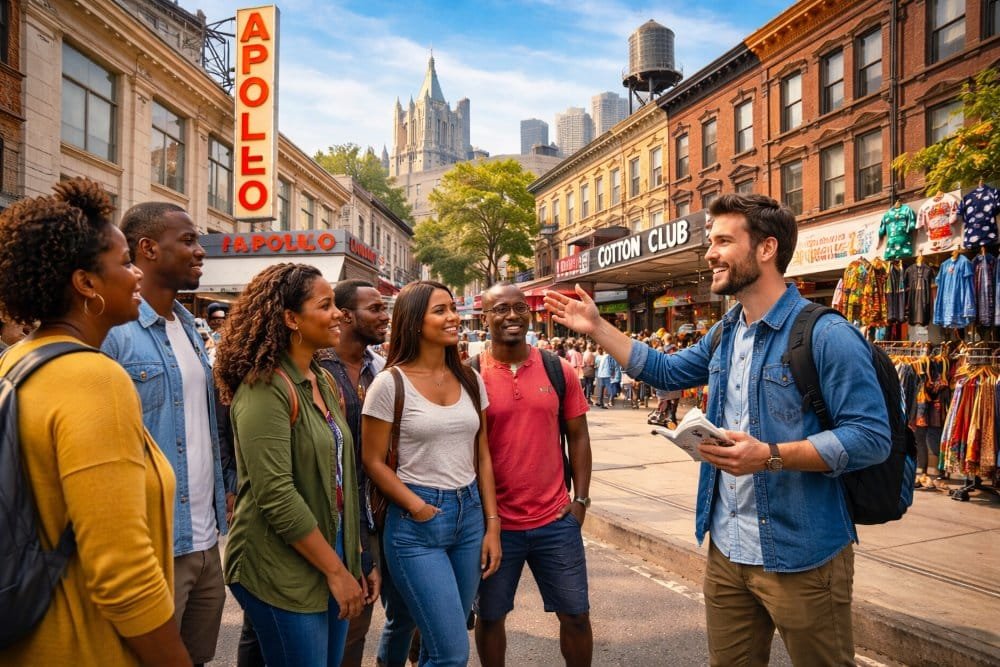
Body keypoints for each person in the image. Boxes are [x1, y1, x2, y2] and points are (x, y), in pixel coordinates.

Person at [545, 193, 891, 666]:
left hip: (803, 555)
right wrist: (598, 326)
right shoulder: (727, 331)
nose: (709, 252)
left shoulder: (826, 334)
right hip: (727, 548)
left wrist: (770, 454)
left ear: (766, 249)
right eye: (711, 240)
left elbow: (871, 437)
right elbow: (666, 372)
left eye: (724, 240)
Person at [0, 179, 189, 666]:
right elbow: (124, 576)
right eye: (125, 262)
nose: (136, 276)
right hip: (82, 647)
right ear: (86, 283)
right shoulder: (93, 378)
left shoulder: (18, 359)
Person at [215, 263, 367, 666]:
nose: (339, 314)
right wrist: (336, 570)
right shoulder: (265, 387)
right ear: (290, 319)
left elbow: (341, 478)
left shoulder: (323, 379)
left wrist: (351, 558)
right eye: (326, 305)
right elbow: (275, 493)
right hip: (278, 562)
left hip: (329, 549)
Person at [103, 203, 229, 666]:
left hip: (205, 540)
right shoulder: (115, 333)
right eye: (189, 241)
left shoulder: (188, 327)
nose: (200, 251)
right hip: (153, 545)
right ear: (148, 249)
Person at [362, 280, 502, 667]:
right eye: (440, 310)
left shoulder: (471, 379)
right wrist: (417, 506)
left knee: (444, 644)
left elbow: (483, 456)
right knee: (451, 653)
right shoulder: (389, 384)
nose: (454, 316)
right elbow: (372, 460)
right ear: (413, 321)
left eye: (453, 307)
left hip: (470, 518)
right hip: (415, 526)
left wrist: (492, 524)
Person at [474, 284, 594, 667]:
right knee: (491, 617)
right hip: (495, 526)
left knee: (575, 615)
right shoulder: (469, 374)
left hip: (555, 520)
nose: (512, 316)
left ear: (529, 314)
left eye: (519, 308)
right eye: (501, 309)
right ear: (484, 318)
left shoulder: (557, 369)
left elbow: (578, 436)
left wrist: (580, 502)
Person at [315, 279, 393, 667]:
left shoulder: (378, 370)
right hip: (320, 519)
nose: (385, 316)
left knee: (355, 626)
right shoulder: (313, 368)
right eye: (375, 309)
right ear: (345, 315)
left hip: (370, 518)